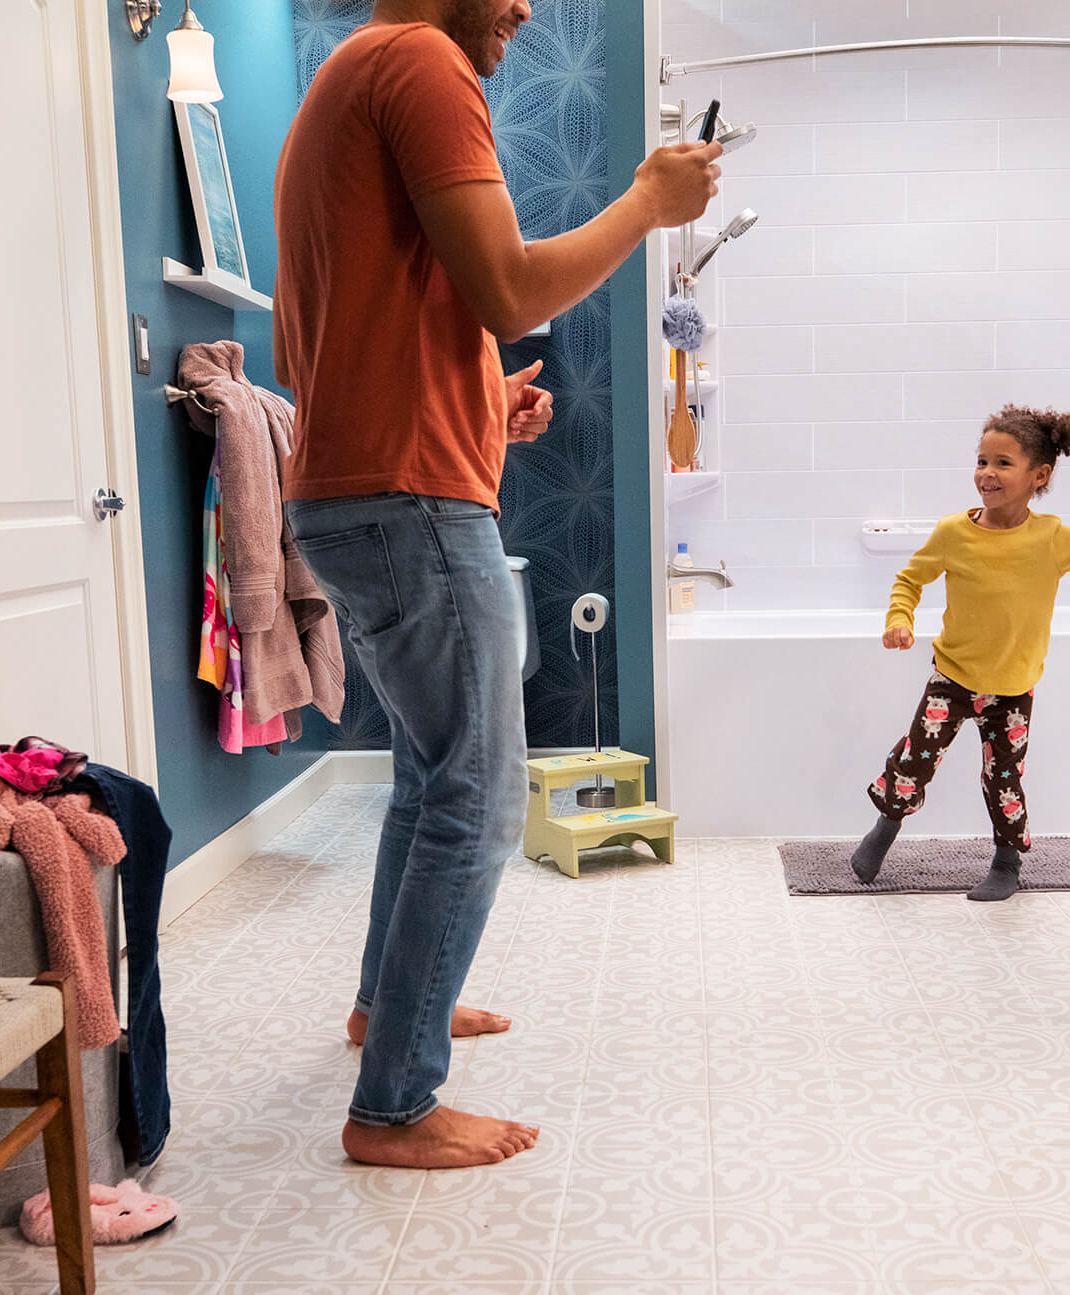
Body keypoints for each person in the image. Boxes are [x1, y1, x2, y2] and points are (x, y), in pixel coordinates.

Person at [272, 0, 721, 1167]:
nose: (524, 5)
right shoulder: (420, 60)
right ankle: (394, 1105)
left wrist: (483, 406)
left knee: (432, 781)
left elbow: (363, 329)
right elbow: (511, 290)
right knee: (477, 793)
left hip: (363, 489)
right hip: (407, 501)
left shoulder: (346, 82)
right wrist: (645, 202)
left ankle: (390, 1010)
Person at [849, 406, 1070, 901]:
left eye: (1003, 463)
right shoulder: (954, 532)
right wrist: (899, 619)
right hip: (953, 676)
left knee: (1004, 778)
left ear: (1040, 476)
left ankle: (1007, 863)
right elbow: (910, 580)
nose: (987, 473)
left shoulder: (1053, 538)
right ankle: (885, 827)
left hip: (1012, 687)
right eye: (982, 461)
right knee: (916, 761)